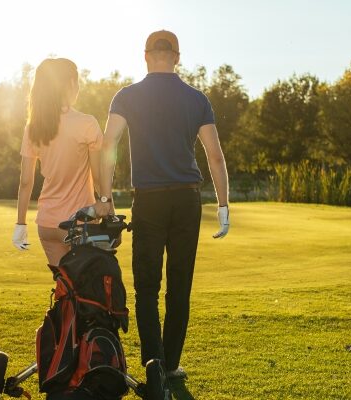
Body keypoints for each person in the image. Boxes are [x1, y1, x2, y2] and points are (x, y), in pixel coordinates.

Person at [94, 30, 230, 379]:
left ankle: (154, 364)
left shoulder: (126, 96)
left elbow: (107, 148)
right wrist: (224, 205)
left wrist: (104, 199)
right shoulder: (197, 98)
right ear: (177, 56)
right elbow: (214, 156)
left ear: (145, 56)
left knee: (147, 286)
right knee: (179, 285)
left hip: (150, 200)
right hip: (187, 198)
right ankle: (169, 366)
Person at [12, 58, 103, 267]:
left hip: (46, 223)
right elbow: (98, 179)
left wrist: (20, 224)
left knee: (66, 287)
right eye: (77, 82)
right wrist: (110, 212)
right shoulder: (86, 123)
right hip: (79, 224)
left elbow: (26, 182)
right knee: (86, 288)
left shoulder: (33, 128)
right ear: (71, 84)